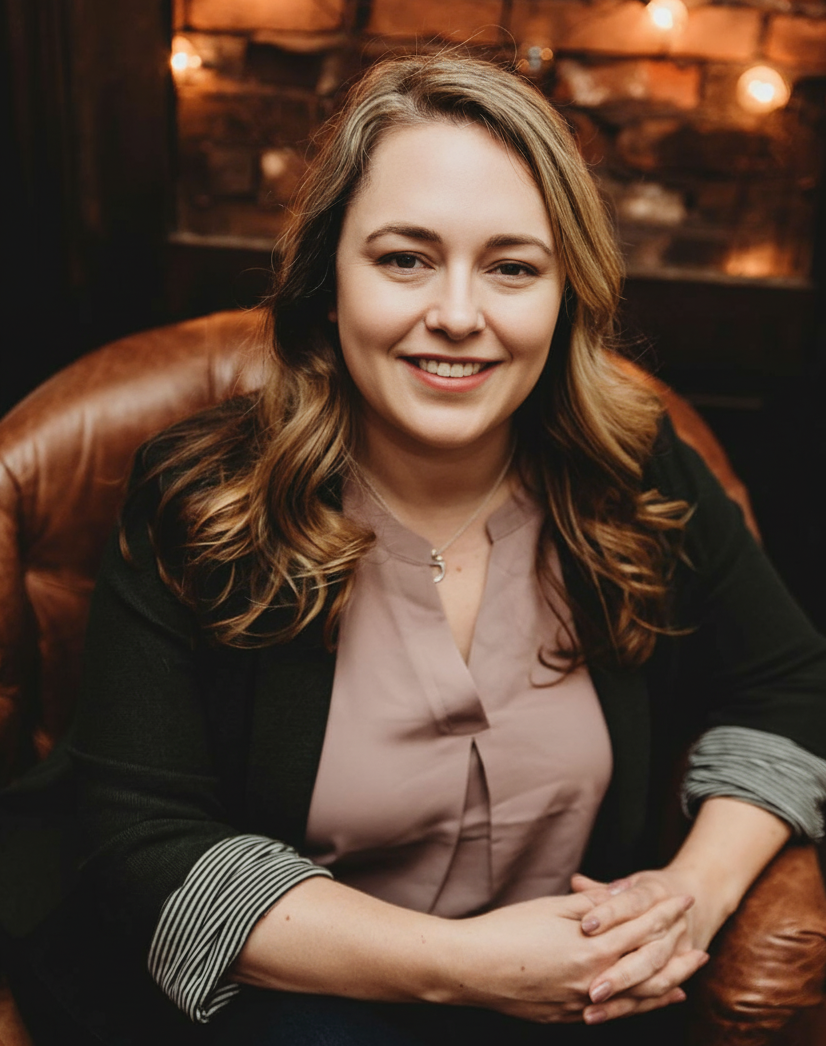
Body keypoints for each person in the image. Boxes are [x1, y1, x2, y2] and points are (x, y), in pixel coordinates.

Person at [2, 53, 826, 1046]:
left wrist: (690, 895)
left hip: (580, 1001)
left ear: (566, 292)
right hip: (294, 1003)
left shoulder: (635, 468)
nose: (458, 316)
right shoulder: (202, 496)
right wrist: (466, 967)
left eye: (513, 267)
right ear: (328, 279)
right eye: (404, 259)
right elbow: (143, 840)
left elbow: (790, 683)